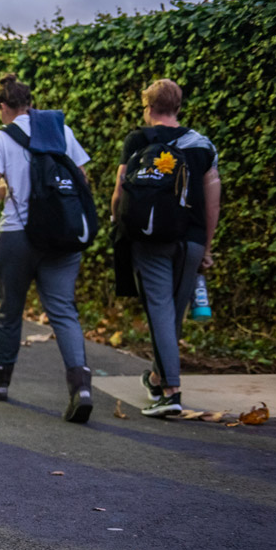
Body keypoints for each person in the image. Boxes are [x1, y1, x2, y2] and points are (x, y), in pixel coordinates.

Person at [0, 74, 96, 422]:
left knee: (11, 310)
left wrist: (7, 189)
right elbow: (82, 180)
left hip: (18, 234)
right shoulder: (62, 131)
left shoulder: (0, 138)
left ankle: (0, 382)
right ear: (30, 103)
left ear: (3, 107)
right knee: (63, 310)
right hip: (62, 233)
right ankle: (81, 387)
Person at [111, 79, 220, 417]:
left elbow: (119, 192)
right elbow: (213, 201)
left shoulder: (137, 140)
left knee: (159, 309)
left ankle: (171, 391)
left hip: (149, 237)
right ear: (178, 107)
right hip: (190, 239)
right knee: (173, 312)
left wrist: (120, 225)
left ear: (148, 107)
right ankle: (158, 378)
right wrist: (207, 246)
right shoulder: (202, 146)